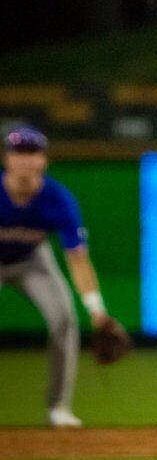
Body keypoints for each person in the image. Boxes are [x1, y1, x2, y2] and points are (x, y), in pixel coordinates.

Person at [0, 125, 115, 427]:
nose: (25, 159)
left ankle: (58, 407)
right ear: (7, 159)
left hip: (32, 260)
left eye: (32, 152)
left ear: (43, 160)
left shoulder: (57, 199)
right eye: (18, 152)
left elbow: (77, 258)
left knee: (64, 319)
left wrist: (96, 309)